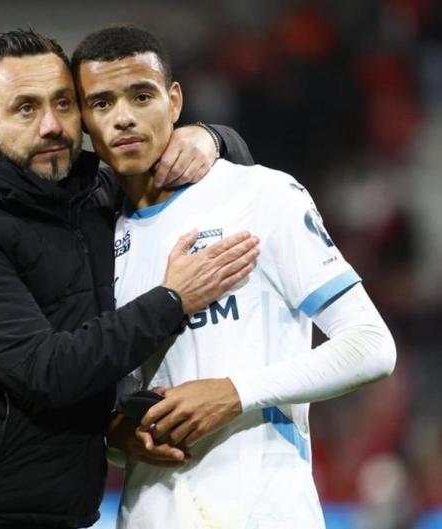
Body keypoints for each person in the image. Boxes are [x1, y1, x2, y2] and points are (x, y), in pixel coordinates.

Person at [0, 29, 258, 529]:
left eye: (63, 103)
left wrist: (211, 139)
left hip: (59, 510)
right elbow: (47, 371)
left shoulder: (84, 194)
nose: (52, 126)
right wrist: (173, 300)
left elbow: (225, 174)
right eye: (26, 108)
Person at [71, 25, 397, 528]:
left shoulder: (260, 195)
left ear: (175, 101)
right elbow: (114, 398)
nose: (124, 117)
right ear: (83, 121)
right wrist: (119, 436)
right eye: (101, 103)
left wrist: (234, 392)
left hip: (264, 511)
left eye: (141, 96)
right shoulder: (95, 240)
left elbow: (371, 346)